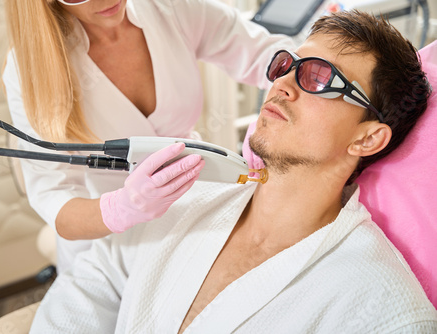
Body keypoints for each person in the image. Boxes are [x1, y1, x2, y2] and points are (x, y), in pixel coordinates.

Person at [29, 10, 437, 333]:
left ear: (367, 139)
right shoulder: (183, 201)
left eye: (319, 77)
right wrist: (115, 210)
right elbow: (86, 291)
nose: (281, 85)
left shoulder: (383, 308)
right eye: (286, 65)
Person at [2, 0, 294, 272]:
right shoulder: (29, 68)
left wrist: (290, 93)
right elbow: (55, 201)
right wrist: (121, 208)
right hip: (105, 244)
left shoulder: (168, 6)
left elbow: (263, 55)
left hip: (197, 208)